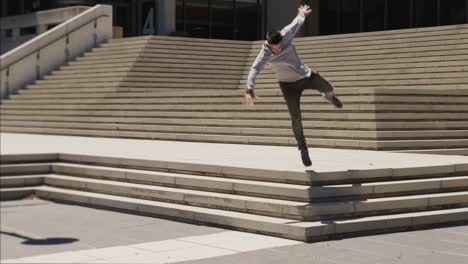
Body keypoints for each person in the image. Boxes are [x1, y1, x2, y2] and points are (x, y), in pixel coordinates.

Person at [245, 4, 343, 167]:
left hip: (305, 75)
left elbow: (296, 22)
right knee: (295, 118)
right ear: (269, 44)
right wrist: (249, 88)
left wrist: (302, 13)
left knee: (329, 88)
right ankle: (303, 149)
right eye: (275, 48)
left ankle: (328, 97)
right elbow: (255, 68)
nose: (279, 49)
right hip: (288, 86)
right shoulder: (265, 53)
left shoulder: (286, 35)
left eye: (280, 46)